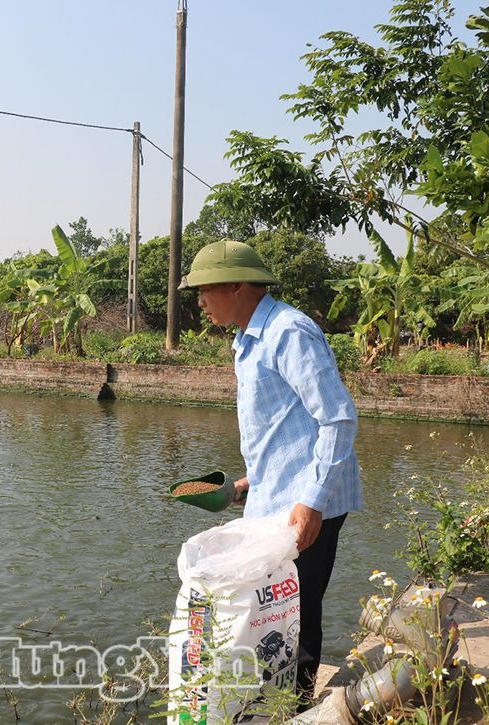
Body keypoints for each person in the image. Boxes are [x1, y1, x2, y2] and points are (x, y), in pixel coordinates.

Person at [179, 239, 363, 705]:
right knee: (274, 612)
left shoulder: (288, 332)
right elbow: (286, 430)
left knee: (298, 614)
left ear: (238, 284)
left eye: (205, 290)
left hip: (308, 504)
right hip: (279, 499)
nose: (199, 302)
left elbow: (337, 418)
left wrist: (311, 503)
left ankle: (296, 709)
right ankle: (272, 705)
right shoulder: (246, 340)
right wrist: (244, 485)